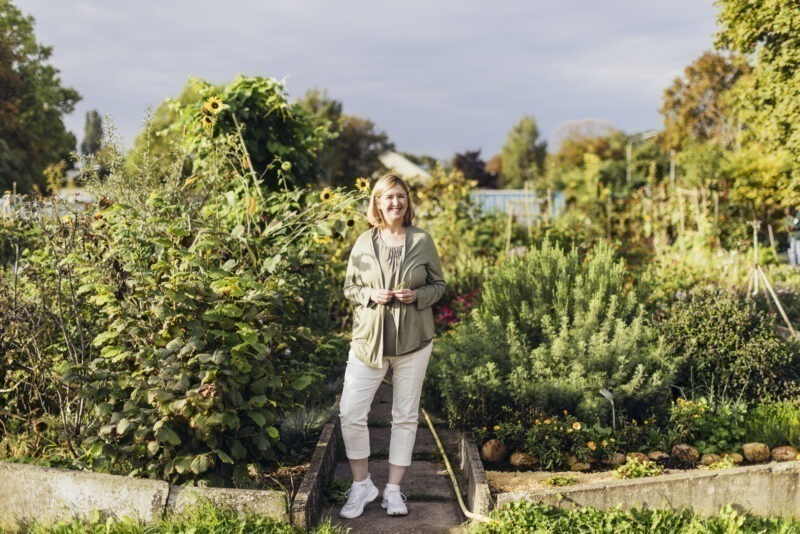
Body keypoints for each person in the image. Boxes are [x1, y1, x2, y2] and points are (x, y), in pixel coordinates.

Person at [338, 173, 446, 519]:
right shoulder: (364, 242)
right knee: (351, 412)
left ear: (407, 201)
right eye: (389, 197)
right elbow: (350, 287)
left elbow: (439, 285)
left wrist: (417, 296)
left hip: (414, 340)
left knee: (405, 416)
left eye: (401, 196)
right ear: (377, 203)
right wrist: (370, 293)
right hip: (369, 341)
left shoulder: (422, 240)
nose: (396, 202)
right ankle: (361, 485)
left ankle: (393, 490)